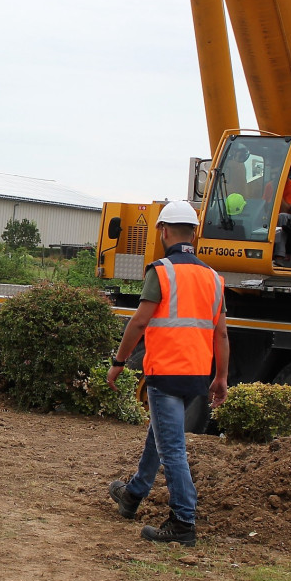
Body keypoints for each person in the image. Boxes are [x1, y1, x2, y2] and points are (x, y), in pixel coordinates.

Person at [105, 201, 229, 547]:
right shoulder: (213, 278)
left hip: (164, 375)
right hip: (196, 378)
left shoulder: (161, 271)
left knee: (172, 447)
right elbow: (220, 333)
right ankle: (132, 495)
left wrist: (118, 362)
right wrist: (221, 377)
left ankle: (183, 522)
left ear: (163, 231)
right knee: (159, 436)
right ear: (194, 234)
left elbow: (140, 321)